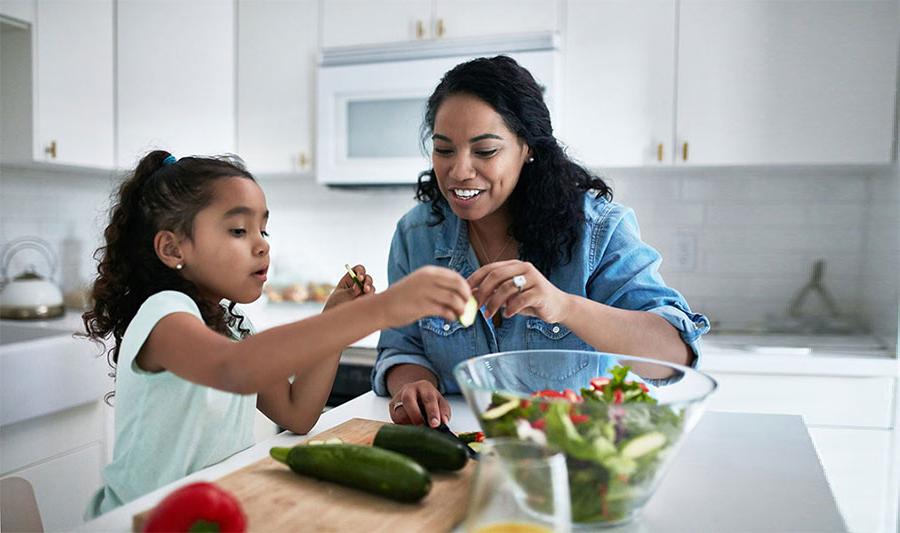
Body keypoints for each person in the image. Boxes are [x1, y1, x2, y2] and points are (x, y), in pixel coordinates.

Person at [81, 150, 472, 518]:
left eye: (263, 231)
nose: (262, 247)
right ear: (172, 248)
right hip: (137, 520)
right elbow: (234, 370)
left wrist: (335, 318)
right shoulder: (165, 313)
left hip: (209, 509)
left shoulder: (234, 327)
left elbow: (297, 412)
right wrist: (382, 309)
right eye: (238, 230)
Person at [373, 55, 710, 428]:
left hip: (571, 456)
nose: (459, 171)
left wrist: (564, 307)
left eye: (485, 151)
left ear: (528, 148)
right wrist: (415, 383)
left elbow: (675, 355)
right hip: (456, 452)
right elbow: (402, 347)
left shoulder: (598, 230)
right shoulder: (415, 235)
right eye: (444, 149)